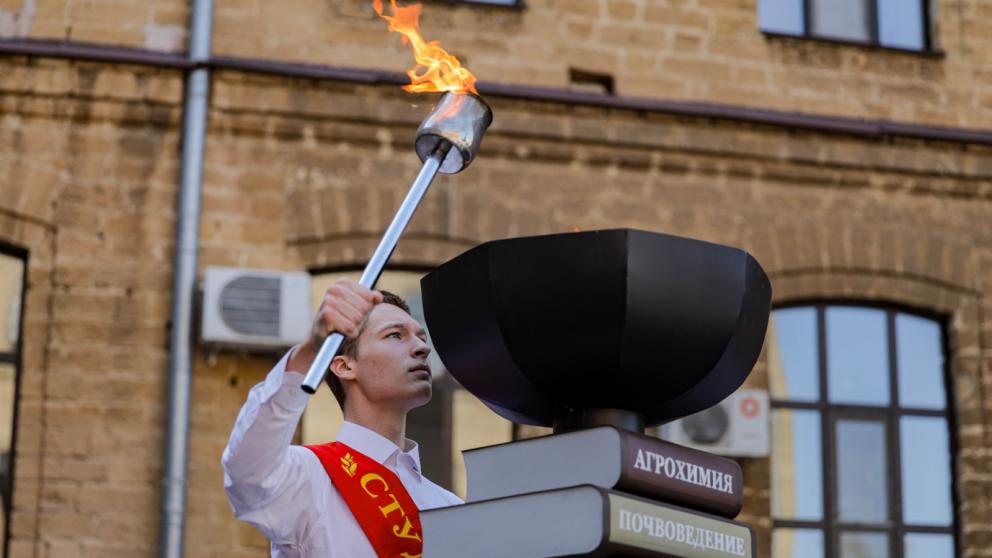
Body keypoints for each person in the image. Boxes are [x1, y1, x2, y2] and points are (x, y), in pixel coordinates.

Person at [222, 278, 461, 557]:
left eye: (421, 337)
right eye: (395, 335)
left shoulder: (451, 506)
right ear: (344, 366)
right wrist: (312, 349)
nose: (422, 348)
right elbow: (248, 473)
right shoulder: (310, 477)